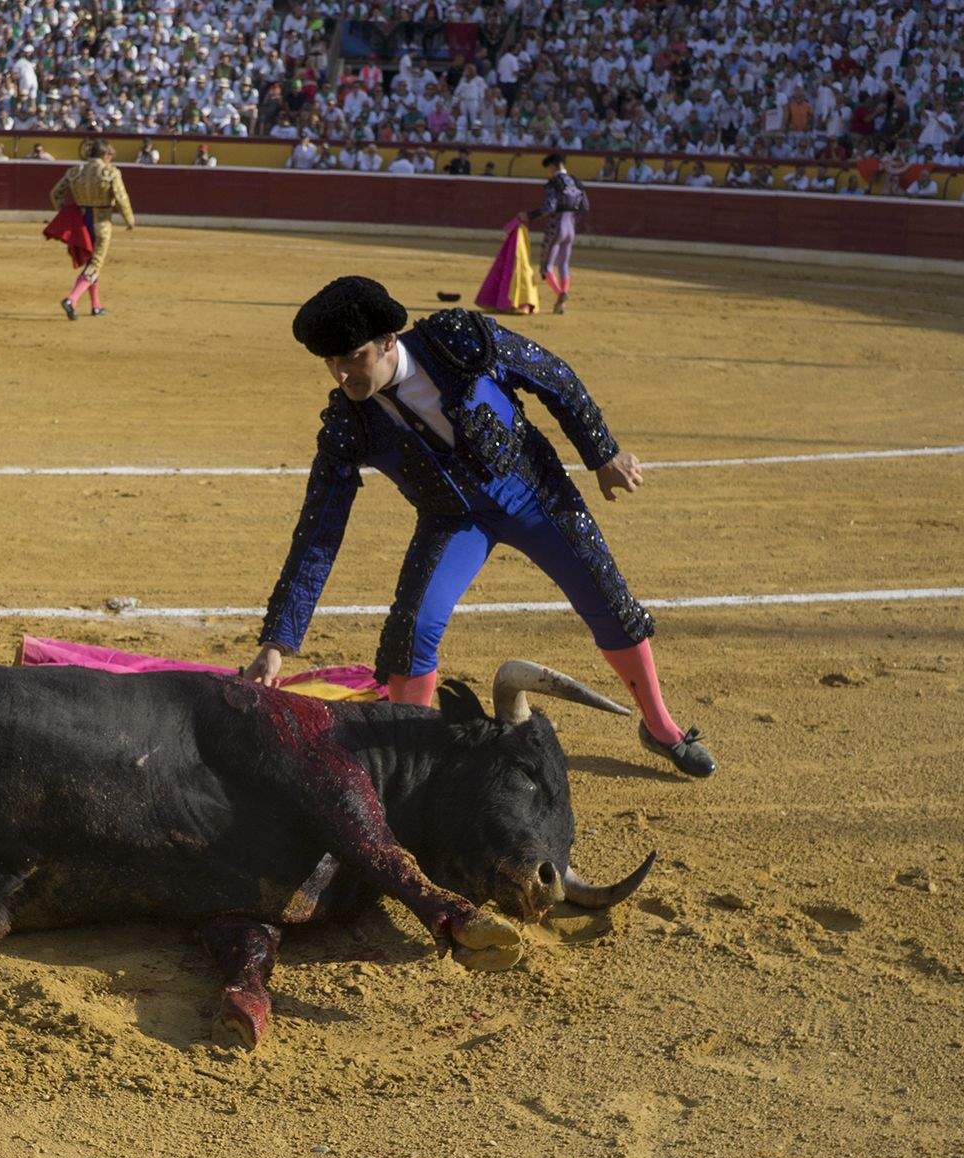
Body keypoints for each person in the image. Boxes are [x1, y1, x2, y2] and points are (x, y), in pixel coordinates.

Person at [243, 278, 715, 777]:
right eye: (330, 362)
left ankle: (661, 727)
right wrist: (277, 641)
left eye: (353, 357)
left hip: (534, 492)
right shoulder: (348, 424)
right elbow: (319, 530)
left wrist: (602, 452)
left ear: (387, 341)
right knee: (412, 630)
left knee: (607, 598)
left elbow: (552, 375)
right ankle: (413, 762)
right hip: (452, 519)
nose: (341, 374)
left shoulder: (456, 341)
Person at [49, 138, 136, 321]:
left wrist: (66, 213)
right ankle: (72, 299)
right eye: (110, 155)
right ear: (105, 155)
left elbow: (55, 193)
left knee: (91, 264)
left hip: (81, 223)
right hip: (101, 223)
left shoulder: (75, 171)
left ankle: (96, 306)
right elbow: (121, 198)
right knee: (95, 264)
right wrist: (129, 219)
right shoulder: (110, 172)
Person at [522, 153, 588, 314]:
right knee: (564, 265)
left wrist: (529, 215)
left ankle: (560, 294)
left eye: (549, 168)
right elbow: (585, 208)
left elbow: (549, 207)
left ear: (554, 165)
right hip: (570, 228)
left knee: (546, 268)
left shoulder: (554, 183)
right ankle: (561, 305)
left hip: (556, 227)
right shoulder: (576, 182)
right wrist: (571, 221)